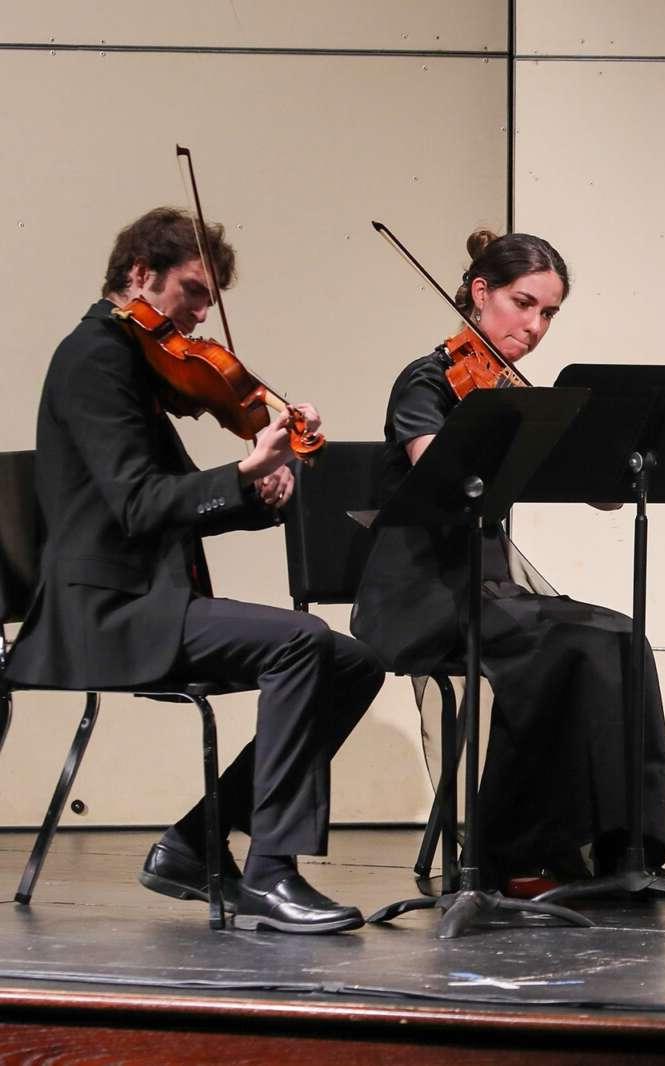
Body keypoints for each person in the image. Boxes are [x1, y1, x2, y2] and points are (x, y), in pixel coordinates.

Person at [7, 207, 384, 934]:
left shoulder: (137, 365)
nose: (198, 317)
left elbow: (174, 503)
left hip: (150, 600)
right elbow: (139, 505)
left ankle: (197, 842)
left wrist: (258, 492)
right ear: (139, 275)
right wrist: (243, 470)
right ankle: (272, 875)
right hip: (103, 612)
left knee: (356, 662)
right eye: (191, 291)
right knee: (303, 640)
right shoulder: (92, 358)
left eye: (207, 302)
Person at [351, 228, 665, 896]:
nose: (534, 325)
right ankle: (505, 853)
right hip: (419, 596)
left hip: (488, 590)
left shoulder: (510, 388)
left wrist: (606, 465)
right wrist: (500, 423)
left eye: (548, 313)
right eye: (524, 304)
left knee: (619, 637)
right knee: (549, 649)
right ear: (479, 294)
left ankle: (620, 847)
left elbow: (597, 496)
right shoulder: (428, 381)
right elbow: (439, 475)